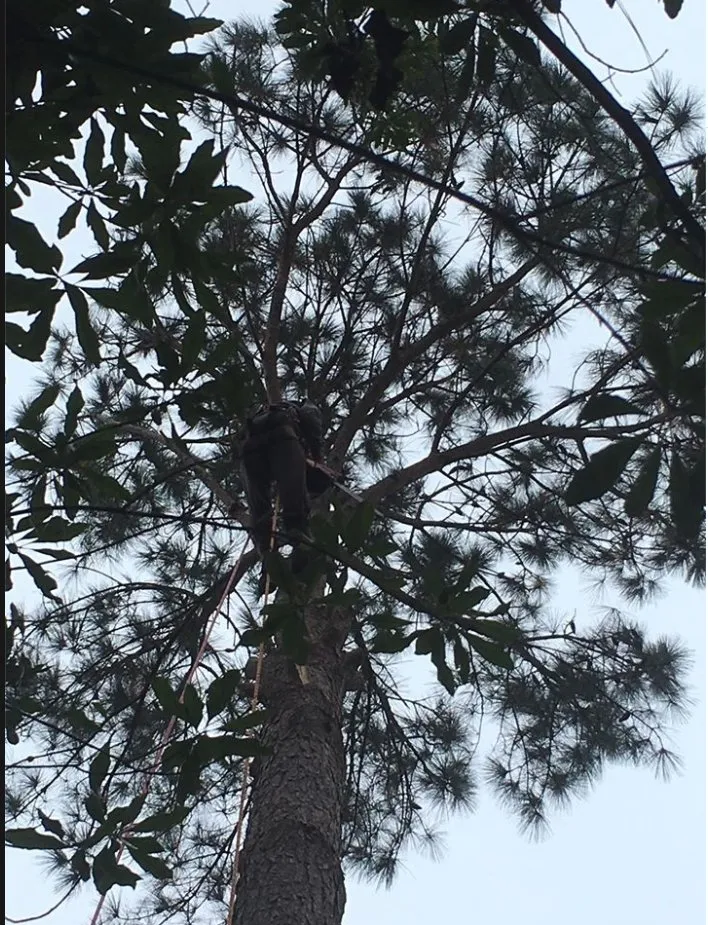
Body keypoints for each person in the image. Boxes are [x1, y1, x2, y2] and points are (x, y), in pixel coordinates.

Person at [237, 398, 327, 558]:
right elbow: (311, 421)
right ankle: (302, 548)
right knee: (295, 504)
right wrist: (318, 456)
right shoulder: (305, 406)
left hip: (250, 447)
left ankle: (267, 555)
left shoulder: (260, 411)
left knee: (259, 509)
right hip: (283, 438)